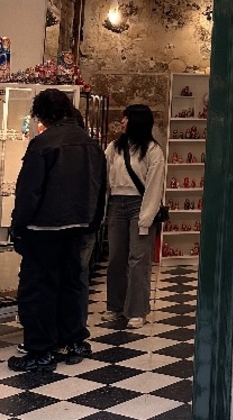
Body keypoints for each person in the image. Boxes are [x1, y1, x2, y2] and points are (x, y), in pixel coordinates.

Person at [9, 89, 106, 372]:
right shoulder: (91, 144)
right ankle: (73, 339)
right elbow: (101, 188)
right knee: (71, 283)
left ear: (43, 114)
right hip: (78, 224)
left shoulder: (43, 144)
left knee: (38, 288)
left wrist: (18, 226)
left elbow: (29, 192)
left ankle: (40, 348)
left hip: (43, 226)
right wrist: (93, 222)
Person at [102, 104, 165, 329]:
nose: (123, 121)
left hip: (140, 204)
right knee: (116, 257)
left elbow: (154, 187)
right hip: (116, 204)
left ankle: (137, 310)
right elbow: (105, 180)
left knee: (138, 259)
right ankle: (115, 306)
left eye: (127, 118)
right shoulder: (114, 147)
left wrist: (146, 219)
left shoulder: (152, 151)